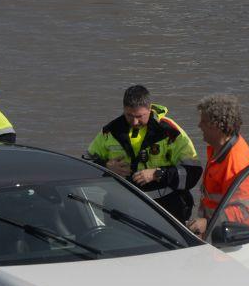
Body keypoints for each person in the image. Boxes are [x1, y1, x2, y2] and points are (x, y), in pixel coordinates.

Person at [85, 85, 201, 222]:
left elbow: (193, 172)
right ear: (123, 109)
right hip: (121, 208)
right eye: (129, 116)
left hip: (165, 209)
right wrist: (106, 167)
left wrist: (158, 174)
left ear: (150, 108)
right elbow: (84, 165)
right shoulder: (110, 131)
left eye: (140, 116)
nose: (134, 122)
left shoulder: (170, 132)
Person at [186, 93, 249, 238]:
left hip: (240, 236)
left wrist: (207, 222)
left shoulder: (236, 162)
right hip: (220, 229)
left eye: (203, 121)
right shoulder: (218, 147)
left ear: (216, 126)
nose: (199, 125)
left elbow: (242, 210)